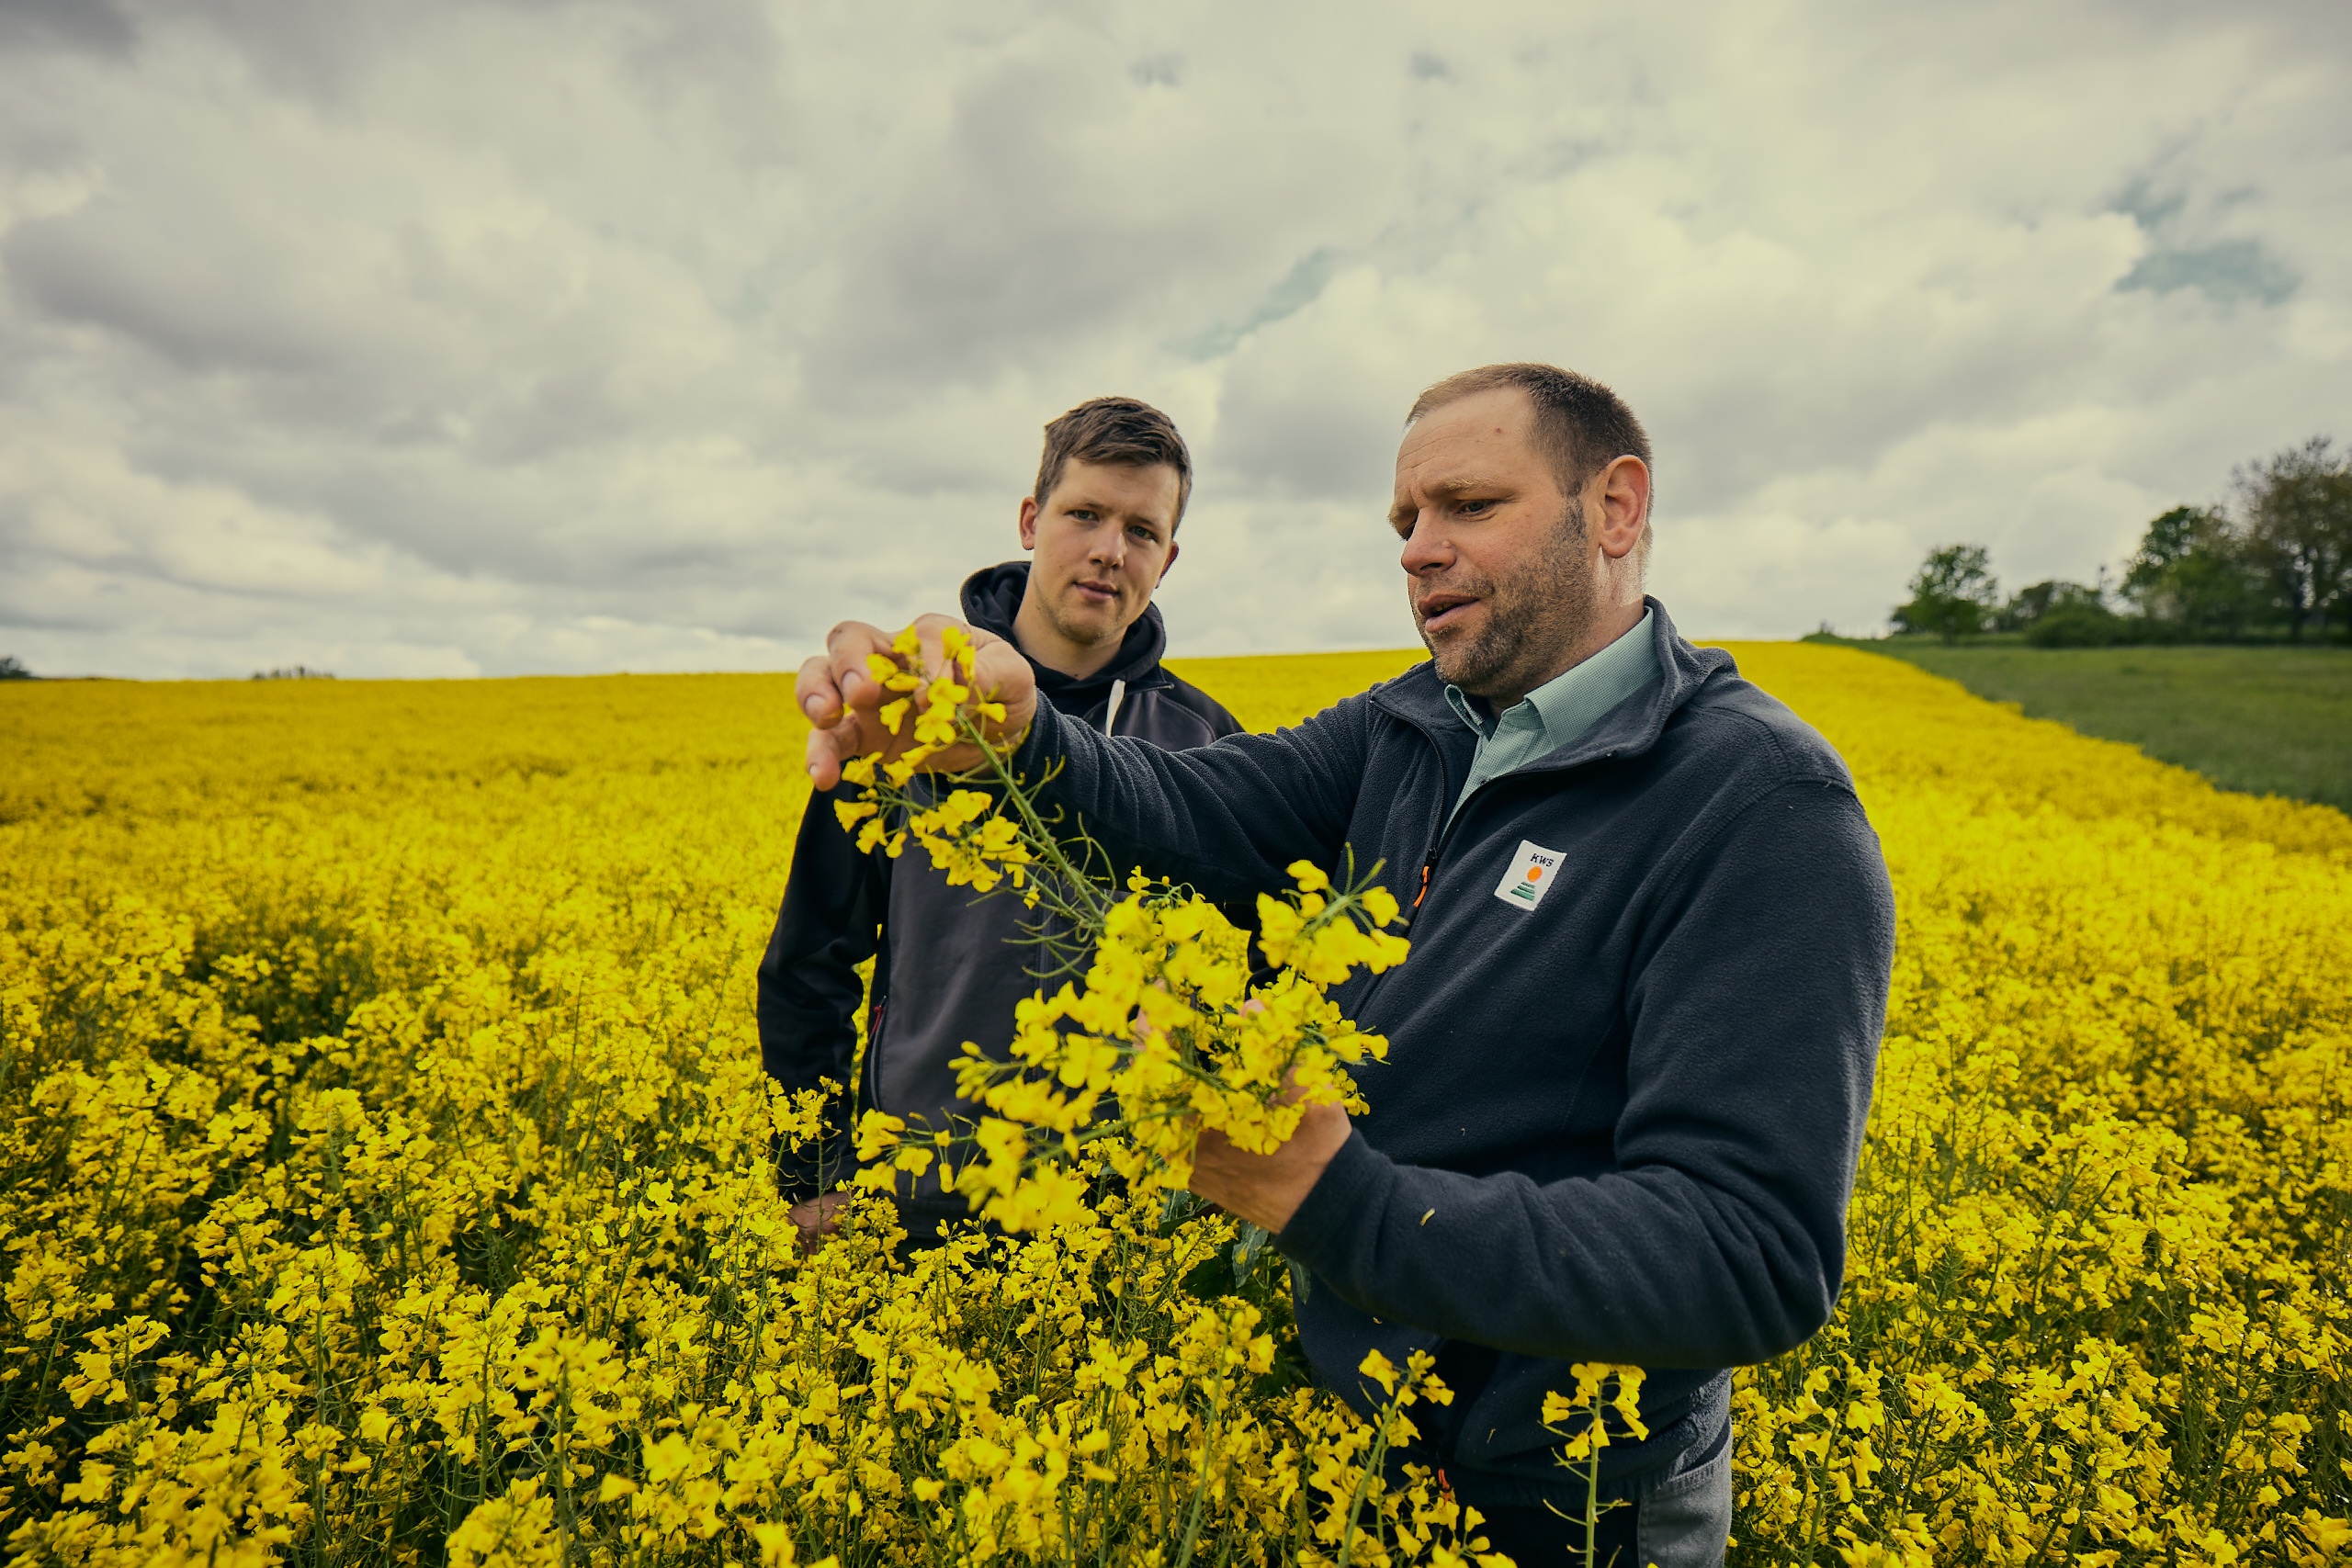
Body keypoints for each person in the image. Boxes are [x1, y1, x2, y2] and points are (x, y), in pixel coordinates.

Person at [796, 364, 1896, 1567]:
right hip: (1349, 1451)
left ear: (1617, 508)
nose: (1421, 548)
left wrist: (1331, 1198)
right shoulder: (1415, 724)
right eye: (1405, 521)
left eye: (1468, 504)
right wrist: (1015, 735)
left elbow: (1753, 1253)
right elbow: (1188, 807)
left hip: (1562, 1500)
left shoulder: (1758, 802)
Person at [758, 395, 1243, 1251]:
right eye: (1084, 513)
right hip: (914, 1202)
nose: (1108, 550)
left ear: (1168, 558)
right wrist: (815, 1176)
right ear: (1030, 519)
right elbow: (809, 963)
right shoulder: (907, 714)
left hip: (1124, 1223)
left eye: (1141, 530)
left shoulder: (1205, 743)